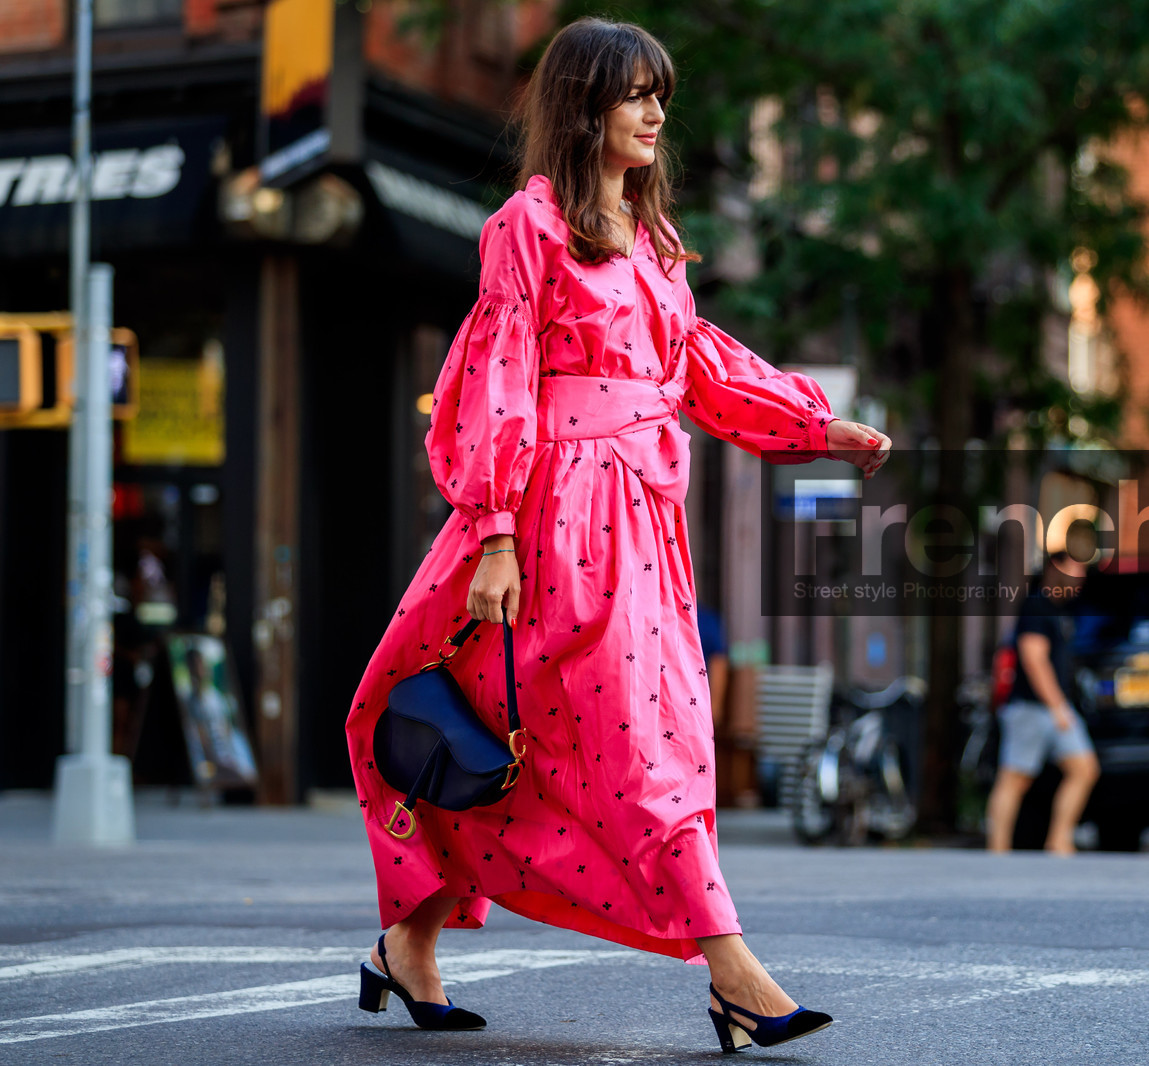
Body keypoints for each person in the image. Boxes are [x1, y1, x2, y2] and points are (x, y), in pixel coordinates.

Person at [342, 17, 891, 1050]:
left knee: (598, 746)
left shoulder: (656, 239)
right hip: (554, 522)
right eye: (634, 93)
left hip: (643, 524)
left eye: (659, 96)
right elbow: (498, 377)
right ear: (583, 103)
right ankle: (734, 972)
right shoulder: (529, 224)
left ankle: (404, 944)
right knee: (620, 749)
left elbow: (700, 367)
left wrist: (815, 421)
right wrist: (496, 530)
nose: (653, 113)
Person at [985, 548, 1100, 855]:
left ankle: (1059, 839)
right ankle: (997, 849)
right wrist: (1057, 706)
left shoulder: (1060, 611)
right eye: (1075, 572)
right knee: (1015, 778)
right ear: (1055, 569)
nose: (1080, 580)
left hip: (1055, 708)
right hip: (1031, 708)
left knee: (1084, 769)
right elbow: (1034, 660)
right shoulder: (1036, 606)